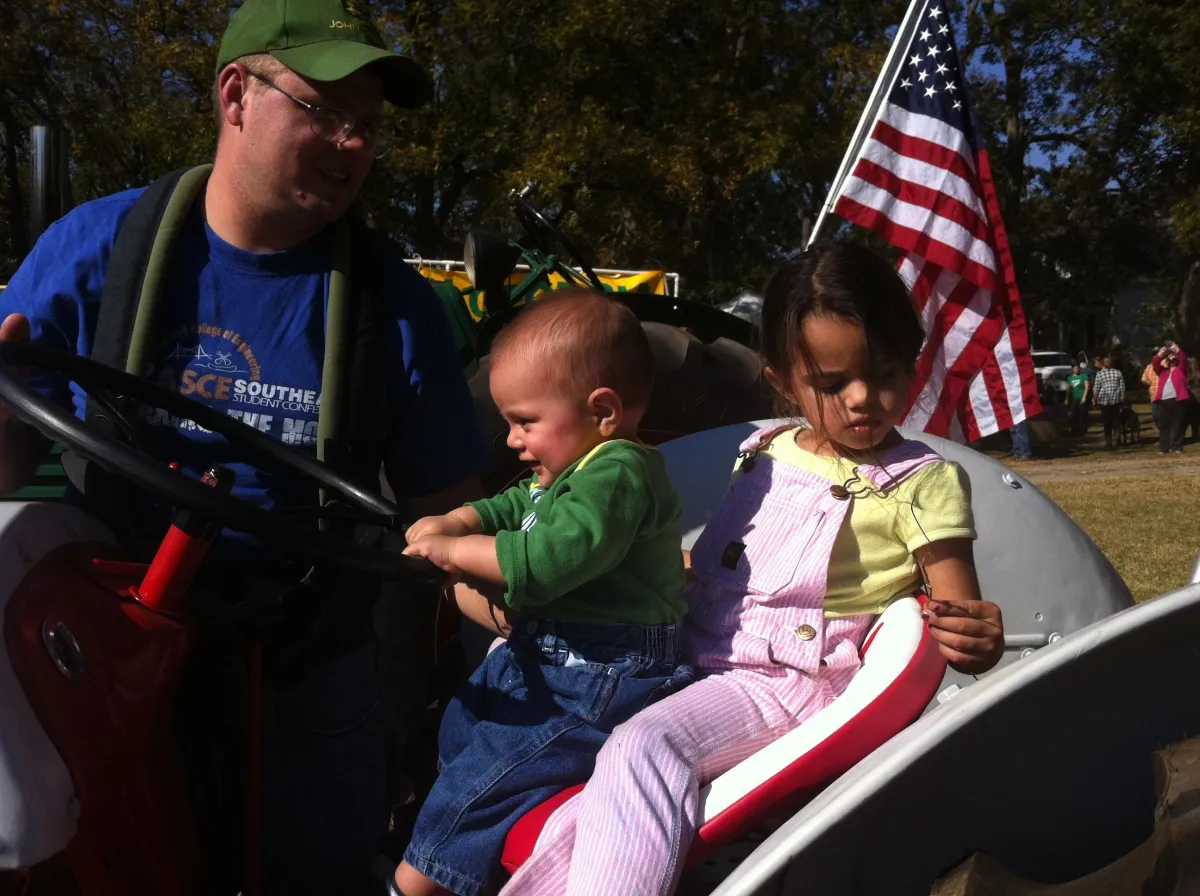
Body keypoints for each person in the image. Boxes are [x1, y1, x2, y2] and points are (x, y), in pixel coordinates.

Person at [0, 1, 492, 892]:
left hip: (306, 681)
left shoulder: (396, 309)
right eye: (327, 114)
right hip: (101, 670)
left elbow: (449, 518)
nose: (353, 147)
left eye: (368, 127)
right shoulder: (94, 251)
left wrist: (513, 634)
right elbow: (7, 469)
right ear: (236, 94)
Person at [499, 243, 1006, 896]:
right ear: (783, 382)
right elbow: (731, 561)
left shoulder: (922, 481)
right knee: (535, 699)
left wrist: (978, 636)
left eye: (885, 374)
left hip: (784, 677)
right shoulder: (764, 449)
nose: (863, 400)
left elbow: (960, 614)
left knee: (645, 747)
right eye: (831, 383)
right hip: (696, 646)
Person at [391, 291, 695, 896]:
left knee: (476, 783)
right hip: (553, 654)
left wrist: (454, 554)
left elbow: (546, 560)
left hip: (606, 675)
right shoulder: (565, 468)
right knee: (460, 724)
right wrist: (461, 522)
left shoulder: (618, 472)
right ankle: (480, 854)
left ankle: (421, 881)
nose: (511, 440)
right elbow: (512, 505)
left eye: (524, 422)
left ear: (602, 410)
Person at [1151, 342, 1189, 454]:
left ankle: (1176, 447)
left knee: (1178, 424)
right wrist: (1160, 354)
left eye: (1174, 360)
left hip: (1178, 400)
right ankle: (1164, 448)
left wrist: (1177, 350)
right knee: (1164, 425)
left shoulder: (1180, 369)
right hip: (1164, 401)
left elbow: (1183, 359)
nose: (1172, 361)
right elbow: (1155, 364)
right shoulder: (1163, 372)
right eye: (1170, 360)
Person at [1091, 355, 1125, 449]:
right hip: (1104, 401)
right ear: (1103, 363)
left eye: (1109, 361)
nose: (1107, 363)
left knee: (1116, 421)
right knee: (1107, 422)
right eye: (1105, 361)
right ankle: (1108, 442)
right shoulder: (1100, 374)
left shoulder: (1117, 373)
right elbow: (1096, 387)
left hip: (1115, 400)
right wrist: (1094, 398)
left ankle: (1118, 439)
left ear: (1111, 362)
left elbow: (1122, 386)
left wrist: (1123, 397)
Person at [1142, 355, 1162, 437]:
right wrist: (1147, 382)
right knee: (1156, 416)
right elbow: (1143, 379)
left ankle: (1165, 436)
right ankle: (1163, 433)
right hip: (1153, 396)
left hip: (1164, 396)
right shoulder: (1149, 367)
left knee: (1165, 416)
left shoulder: (1164, 365)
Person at [1068, 362, 1090, 435]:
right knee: (1073, 414)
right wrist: (1066, 398)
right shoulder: (1070, 377)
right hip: (1073, 398)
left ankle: (1083, 429)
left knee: (1082, 413)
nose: (1076, 369)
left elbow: (1087, 386)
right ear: (1072, 369)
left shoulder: (1083, 376)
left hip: (1081, 397)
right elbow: (1068, 388)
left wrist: (1084, 397)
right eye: (1075, 368)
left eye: (1078, 368)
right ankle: (1074, 429)